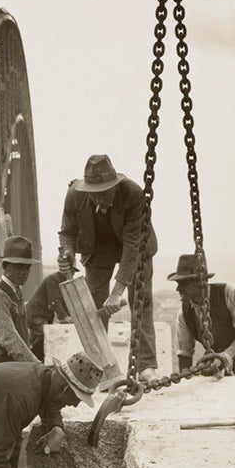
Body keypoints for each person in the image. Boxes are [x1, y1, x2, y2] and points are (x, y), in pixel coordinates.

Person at [58, 153, 158, 380]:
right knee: (93, 304)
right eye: (95, 195)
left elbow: (132, 248)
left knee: (141, 300)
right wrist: (68, 252)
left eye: (105, 193)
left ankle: (145, 366)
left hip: (136, 245)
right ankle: (98, 364)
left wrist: (117, 293)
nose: (100, 199)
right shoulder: (75, 194)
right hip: (99, 247)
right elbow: (67, 232)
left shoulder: (133, 194)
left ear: (115, 186)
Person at [167, 253, 235, 376]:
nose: (178, 289)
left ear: (200, 282)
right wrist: (186, 377)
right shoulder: (184, 314)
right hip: (215, 368)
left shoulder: (230, 293)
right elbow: (184, 354)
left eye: (183, 284)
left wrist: (227, 356)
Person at [0, 235, 42, 365]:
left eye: (27, 268)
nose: (24, 272)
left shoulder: (16, 292)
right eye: (19, 267)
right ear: (5, 267)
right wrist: (36, 366)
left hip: (10, 364)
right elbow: (10, 339)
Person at [25, 261, 76, 361]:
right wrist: (65, 317)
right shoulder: (53, 280)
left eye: (73, 271)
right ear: (65, 270)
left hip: (41, 315)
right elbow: (54, 302)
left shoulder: (63, 281)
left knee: (36, 339)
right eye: (71, 271)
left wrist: (70, 316)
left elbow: (64, 302)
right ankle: (35, 361)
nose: (72, 274)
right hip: (36, 314)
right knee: (47, 336)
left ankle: (33, 359)